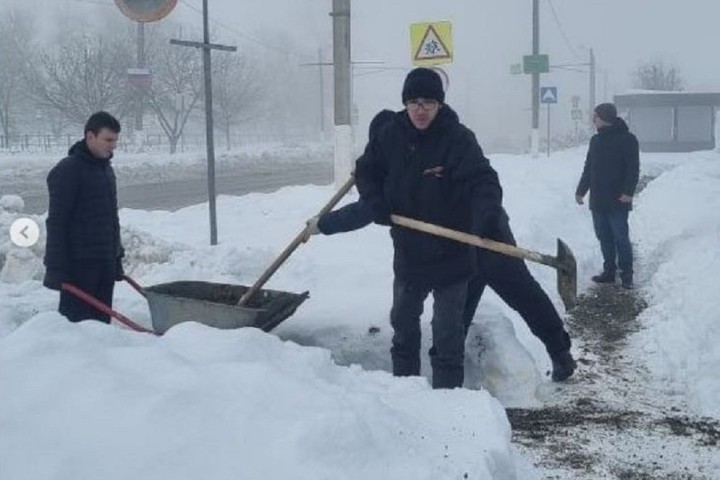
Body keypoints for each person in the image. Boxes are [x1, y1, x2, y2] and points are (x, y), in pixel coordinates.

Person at [308, 174, 576, 383]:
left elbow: (365, 210)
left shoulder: (418, 160)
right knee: (458, 320)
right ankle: (451, 391)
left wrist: (324, 224)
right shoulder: (398, 164)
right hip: (459, 252)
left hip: (488, 239)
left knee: (523, 297)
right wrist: (326, 223)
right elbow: (371, 207)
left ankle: (560, 354)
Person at [351, 68, 504, 389]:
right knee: (403, 324)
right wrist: (374, 200)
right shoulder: (390, 135)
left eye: (429, 103)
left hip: (453, 252)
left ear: (440, 105)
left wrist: (484, 217)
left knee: (448, 331)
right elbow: (367, 170)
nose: (421, 110)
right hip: (409, 250)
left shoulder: (458, 139)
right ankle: (404, 391)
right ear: (405, 103)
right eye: (414, 102)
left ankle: (448, 402)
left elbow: (483, 182)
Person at [43, 111, 125, 323]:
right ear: (90, 136)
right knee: (77, 329)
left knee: (101, 325)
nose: (113, 146)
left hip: (104, 262)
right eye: (108, 139)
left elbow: (110, 218)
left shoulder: (105, 169)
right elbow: (56, 222)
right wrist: (55, 268)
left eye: (115, 140)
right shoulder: (68, 171)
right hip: (79, 267)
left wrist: (116, 256)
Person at [575, 103, 640, 289]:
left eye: (595, 116)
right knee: (604, 236)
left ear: (604, 118)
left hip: (619, 199)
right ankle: (609, 272)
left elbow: (633, 169)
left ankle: (627, 275)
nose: (592, 119)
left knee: (620, 237)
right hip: (598, 199)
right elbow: (589, 168)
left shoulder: (628, 139)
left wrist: (628, 192)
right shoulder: (596, 141)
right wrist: (581, 190)